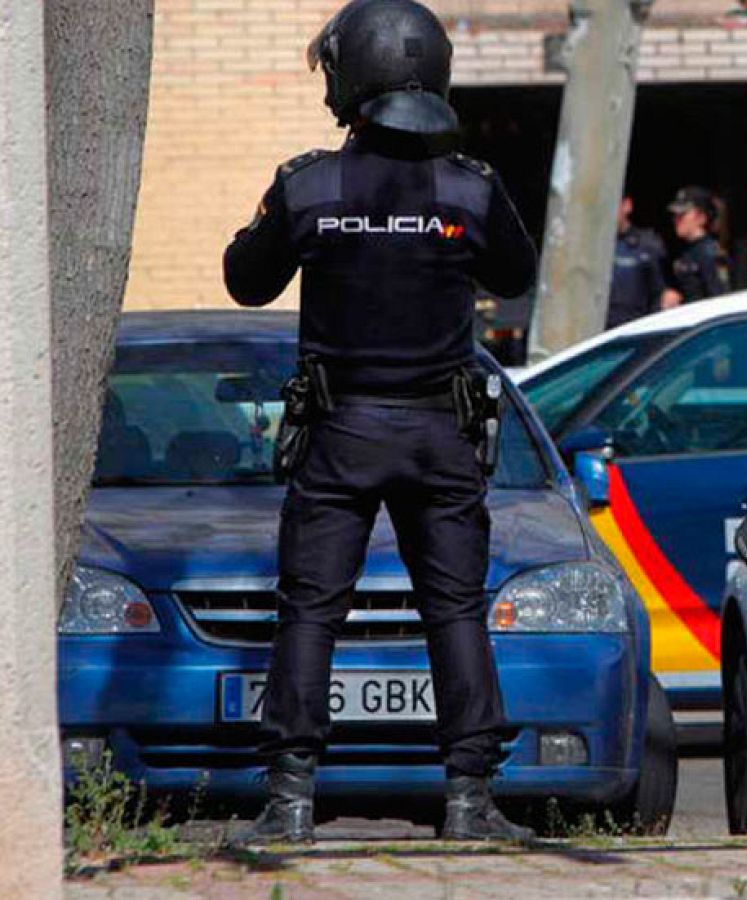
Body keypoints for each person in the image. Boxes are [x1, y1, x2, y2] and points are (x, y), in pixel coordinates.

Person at [222, 0, 538, 844]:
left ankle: (289, 805)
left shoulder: (309, 184)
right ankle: (471, 804)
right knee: (456, 612)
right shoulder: (469, 188)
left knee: (311, 614)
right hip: (441, 435)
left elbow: (245, 282)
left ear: (348, 78)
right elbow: (516, 274)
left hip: (341, 435)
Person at [607, 195, 670, 328]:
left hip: (636, 327)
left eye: (612, 205)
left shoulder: (647, 244)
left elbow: (659, 293)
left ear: (627, 206)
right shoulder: (594, 245)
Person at [662, 186, 730, 307]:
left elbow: (719, 298)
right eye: (675, 216)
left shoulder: (711, 253)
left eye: (682, 215)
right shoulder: (683, 250)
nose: (676, 220)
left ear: (701, 218)